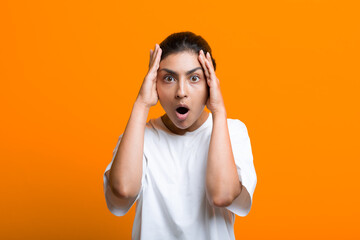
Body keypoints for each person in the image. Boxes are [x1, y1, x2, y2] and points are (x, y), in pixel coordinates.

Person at [103, 31, 257, 240]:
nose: (181, 91)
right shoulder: (139, 135)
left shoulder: (232, 131)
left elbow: (222, 195)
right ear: (154, 83)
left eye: (194, 78)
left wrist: (219, 111)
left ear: (210, 84)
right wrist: (141, 104)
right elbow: (123, 190)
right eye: (168, 78)